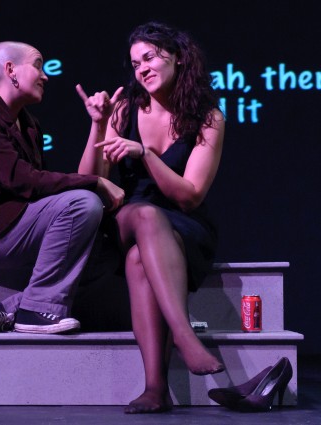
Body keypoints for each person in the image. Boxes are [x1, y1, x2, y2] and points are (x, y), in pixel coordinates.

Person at [77, 22, 225, 413]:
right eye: (135, 63)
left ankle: (156, 389)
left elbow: (190, 196)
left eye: (149, 58)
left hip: (182, 224)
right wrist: (98, 123)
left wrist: (144, 154)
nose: (141, 68)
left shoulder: (208, 118)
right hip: (128, 215)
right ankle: (184, 335)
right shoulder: (125, 108)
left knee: (138, 260)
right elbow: (89, 181)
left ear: (178, 57)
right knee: (144, 215)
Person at [0, 41, 124, 334]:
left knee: (105, 250)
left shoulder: (28, 124)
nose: (45, 76)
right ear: (10, 70)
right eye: (38, 66)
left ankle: (10, 309)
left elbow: (39, 187)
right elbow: (24, 180)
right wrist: (96, 182)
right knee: (82, 204)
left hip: (13, 224)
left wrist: (97, 125)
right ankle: (36, 312)